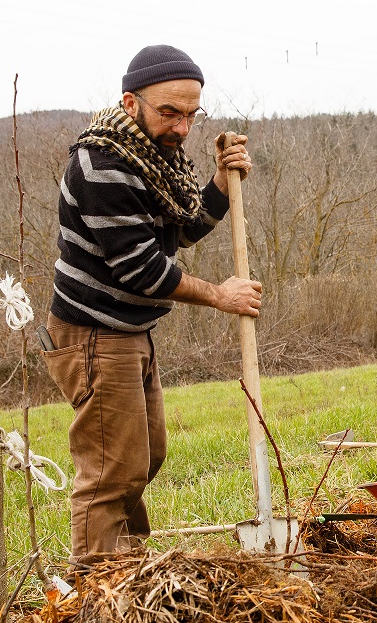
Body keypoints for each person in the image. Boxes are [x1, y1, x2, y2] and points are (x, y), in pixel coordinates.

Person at [41, 44, 262, 566]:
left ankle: (128, 562)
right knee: (112, 469)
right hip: (93, 334)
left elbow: (181, 229)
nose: (182, 127)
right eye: (170, 112)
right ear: (129, 102)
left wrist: (218, 185)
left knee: (145, 455)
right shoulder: (102, 165)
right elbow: (142, 271)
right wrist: (220, 296)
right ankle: (104, 585)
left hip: (128, 330)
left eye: (191, 114)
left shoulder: (153, 154)